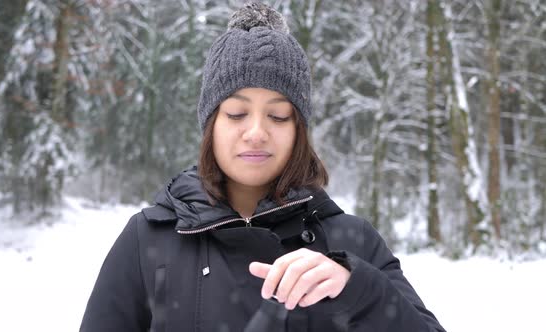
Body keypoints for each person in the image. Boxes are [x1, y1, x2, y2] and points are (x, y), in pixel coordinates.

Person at [80, 2, 446, 332]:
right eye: (237, 113)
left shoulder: (353, 241)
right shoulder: (148, 240)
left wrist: (360, 291)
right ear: (211, 126)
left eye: (278, 115)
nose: (256, 133)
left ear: (299, 130)